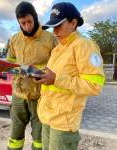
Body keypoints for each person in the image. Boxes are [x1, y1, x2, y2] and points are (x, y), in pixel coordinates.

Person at [36, 2, 105, 150]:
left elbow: (95, 86)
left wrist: (56, 79)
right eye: (53, 27)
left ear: (73, 23)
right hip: (48, 117)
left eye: (58, 25)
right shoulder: (58, 49)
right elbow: (52, 73)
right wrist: (34, 72)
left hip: (64, 123)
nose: (55, 31)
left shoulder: (84, 46)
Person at [0, 1, 57, 150]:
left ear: (34, 17)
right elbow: (11, 63)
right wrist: (3, 67)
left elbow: (57, 65)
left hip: (40, 95)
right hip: (18, 95)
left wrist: (38, 70)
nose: (27, 26)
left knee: (39, 136)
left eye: (29, 21)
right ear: (18, 22)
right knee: (15, 133)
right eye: (23, 23)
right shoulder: (15, 39)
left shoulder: (50, 38)